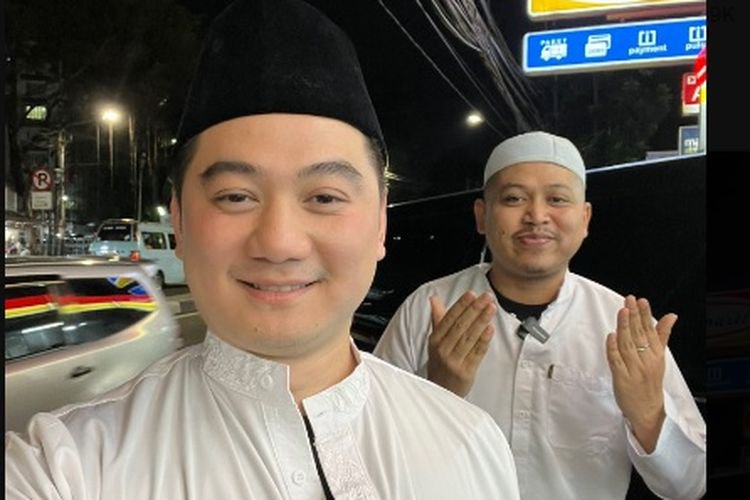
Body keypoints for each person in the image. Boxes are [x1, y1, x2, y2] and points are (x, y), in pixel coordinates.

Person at [5, 1, 520, 498]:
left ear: (380, 221)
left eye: (324, 197)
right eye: (235, 197)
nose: (279, 242)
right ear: (179, 220)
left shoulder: (469, 443)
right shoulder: (66, 467)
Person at [374, 131, 706, 500]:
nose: (536, 216)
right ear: (482, 215)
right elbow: (368, 458)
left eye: (557, 199)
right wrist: (437, 393)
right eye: (514, 198)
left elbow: (689, 485)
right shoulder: (427, 308)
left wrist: (647, 413)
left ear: (585, 218)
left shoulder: (623, 325)